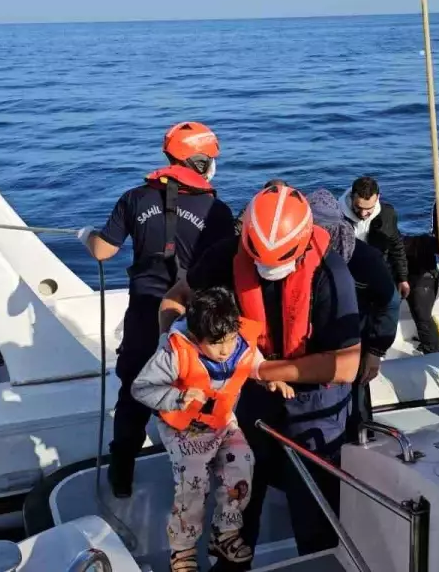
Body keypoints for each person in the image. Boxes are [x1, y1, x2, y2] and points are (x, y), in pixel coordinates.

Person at [158, 184, 361, 568]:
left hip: (313, 405)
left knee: (313, 508)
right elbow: (176, 297)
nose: (267, 271)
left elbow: (346, 366)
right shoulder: (224, 256)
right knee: (237, 498)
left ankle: (317, 561)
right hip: (251, 398)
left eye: (278, 262)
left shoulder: (331, 275)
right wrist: (172, 344)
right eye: (257, 260)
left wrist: (262, 368)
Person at [78, 120, 237, 497]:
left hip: (143, 312)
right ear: (200, 162)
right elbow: (226, 267)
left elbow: (103, 251)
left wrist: (87, 236)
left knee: (135, 388)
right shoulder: (216, 210)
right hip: (191, 316)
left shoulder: (133, 198)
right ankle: (199, 473)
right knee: (196, 391)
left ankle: (121, 474)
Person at [132, 286, 296, 571]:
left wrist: (270, 379)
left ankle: (224, 533)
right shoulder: (173, 351)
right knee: (193, 486)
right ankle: (182, 551)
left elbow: (254, 364)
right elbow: (141, 388)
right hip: (185, 429)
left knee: (243, 465)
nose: (225, 350)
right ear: (196, 337)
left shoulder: (240, 342)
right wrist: (178, 397)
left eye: (230, 340)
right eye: (216, 343)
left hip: (222, 421)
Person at [308, 188, 398, 434]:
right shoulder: (302, 256)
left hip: (356, 343)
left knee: (357, 403)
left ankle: (361, 436)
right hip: (317, 347)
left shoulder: (366, 258)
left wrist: (376, 351)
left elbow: (390, 302)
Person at [340, 176, 409, 301]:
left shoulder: (387, 214)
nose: (363, 213)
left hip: (379, 271)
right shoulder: (337, 216)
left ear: (377, 198)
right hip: (349, 277)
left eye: (368, 209)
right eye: (358, 207)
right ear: (351, 197)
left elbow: (396, 246)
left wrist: (402, 278)